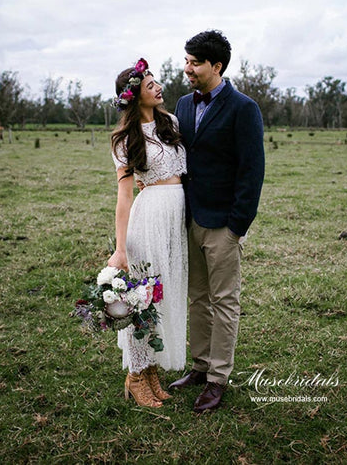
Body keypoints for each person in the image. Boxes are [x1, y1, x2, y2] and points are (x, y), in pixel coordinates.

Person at [169, 30, 265, 413]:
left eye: (194, 63)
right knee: (198, 298)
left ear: (217, 66)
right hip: (190, 219)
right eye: (187, 61)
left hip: (224, 223)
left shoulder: (244, 108)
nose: (187, 68)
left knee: (225, 301)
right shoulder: (182, 104)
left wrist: (237, 225)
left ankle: (217, 379)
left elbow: (251, 171)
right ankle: (199, 366)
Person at [108, 57, 188, 408]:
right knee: (145, 298)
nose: (157, 87)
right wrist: (121, 248)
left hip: (177, 218)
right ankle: (136, 374)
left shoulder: (171, 122)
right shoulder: (125, 139)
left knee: (165, 293)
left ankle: (152, 369)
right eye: (149, 84)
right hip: (149, 217)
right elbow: (125, 196)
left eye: (156, 81)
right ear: (134, 96)